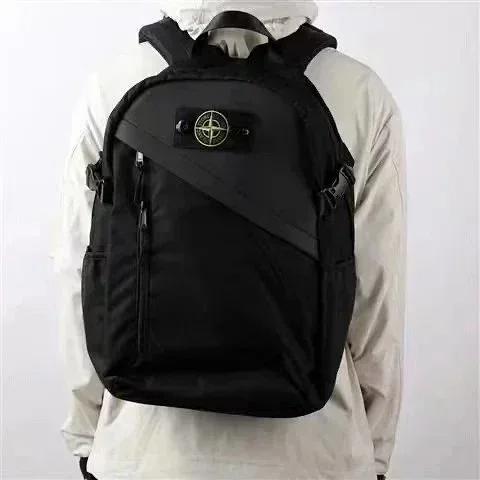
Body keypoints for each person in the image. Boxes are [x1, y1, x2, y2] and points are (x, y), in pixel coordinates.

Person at [52, 1, 406, 479]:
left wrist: (88, 432)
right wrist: (374, 448)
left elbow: (78, 273)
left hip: (144, 452)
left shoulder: (113, 83)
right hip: (316, 452)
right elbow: (378, 291)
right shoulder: (360, 91)